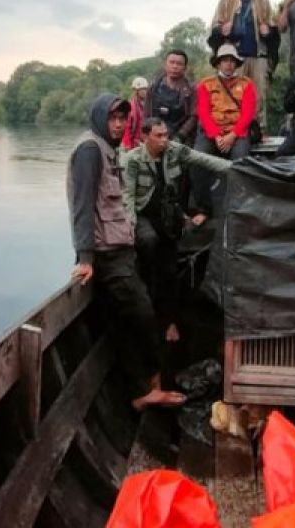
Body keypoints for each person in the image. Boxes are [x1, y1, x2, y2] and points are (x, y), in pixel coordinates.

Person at [67, 94, 185, 410]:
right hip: (106, 254)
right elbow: (82, 205)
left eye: (123, 119)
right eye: (112, 119)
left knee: (124, 323)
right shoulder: (90, 150)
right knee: (144, 316)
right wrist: (86, 257)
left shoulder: (107, 148)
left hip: (119, 247)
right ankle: (151, 386)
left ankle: (139, 391)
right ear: (99, 118)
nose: (118, 125)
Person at [123, 118, 233, 343]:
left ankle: (169, 321)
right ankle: (150, 314)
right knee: (149, 243)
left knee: (170, 271)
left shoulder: (174, 151)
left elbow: (203, 159)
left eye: (166, 135)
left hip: (167, 215)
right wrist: (130, 229)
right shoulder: (132, 160)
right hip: (145, 215)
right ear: (145, 137)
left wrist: (238, 167)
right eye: (159, 136)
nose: (165, 140)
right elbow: (128, 199)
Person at [192, 44, 257, 215]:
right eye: (224, 60)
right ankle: (203, 208)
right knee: (197, 162)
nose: (228, 64)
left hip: (237, 132)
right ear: (218, 64)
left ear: (236, 63)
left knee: (240, 163)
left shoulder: (247, 84)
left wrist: (232, 135)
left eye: (231, 60)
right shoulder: (206, 84)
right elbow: (203, 113)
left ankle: (239, 207)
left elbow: (248, 113)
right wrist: (216, 136)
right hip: (211, 132)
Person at [210, 0, 272, 124]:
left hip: (257, 54)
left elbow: (271, 27)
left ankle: (259, 129)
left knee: (258, 94)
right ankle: (232, 127)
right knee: (232, 93)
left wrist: (267, 31)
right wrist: (222, 29)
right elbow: (214, 26)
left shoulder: (263, 0)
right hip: (233, 56)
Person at [146, 49, 198, 143]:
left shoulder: (191, 89)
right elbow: (146, 114)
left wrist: (180, 136)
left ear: (185, 68)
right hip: (155, 134)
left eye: (179, 64)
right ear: (165, 65)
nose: (174, 66)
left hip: (182, 137)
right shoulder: (153, 87)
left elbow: (194, 116)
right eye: (171, 62)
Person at [121, 76, 150, 150]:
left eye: (145, 89)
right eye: (142, 89)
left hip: (144, 143)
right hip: (133, 144)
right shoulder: (131, 106)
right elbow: (127, 128)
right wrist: (127, 145)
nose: (145, 91)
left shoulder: (146, 106)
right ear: (136, 91)